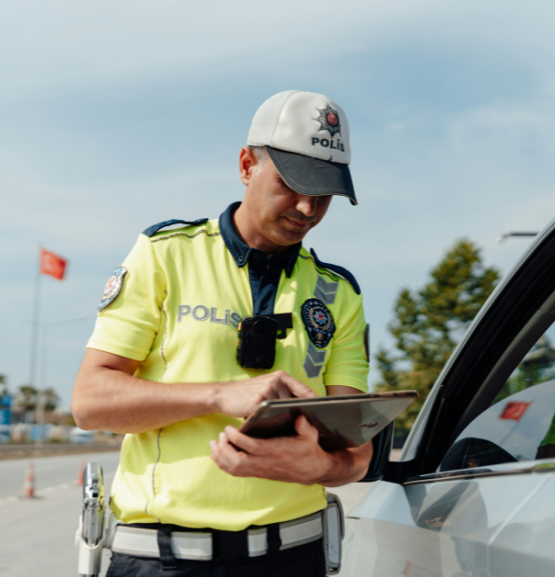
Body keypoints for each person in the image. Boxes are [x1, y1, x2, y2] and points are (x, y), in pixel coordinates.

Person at [72, 90, 373, 577]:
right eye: (291, 183)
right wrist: (219, 395)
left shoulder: (339, 293)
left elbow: (357, 453)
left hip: (294, 557)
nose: (306, 207)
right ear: (246, 165)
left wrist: (320, 468)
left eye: (324, 194)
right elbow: (90, 402)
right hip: (163, 559)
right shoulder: (165, 254)